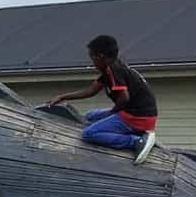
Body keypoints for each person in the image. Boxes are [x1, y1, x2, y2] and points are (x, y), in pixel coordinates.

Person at [47, 34, 157, 165]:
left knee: (88, 134)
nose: (92, 62)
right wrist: (62, 97)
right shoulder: (110, 68)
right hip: (137, 113)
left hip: (137, 118)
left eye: (92, 57)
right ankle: (123, 131)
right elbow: (91, 91)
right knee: (90, 116)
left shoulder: (114, 70)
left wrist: (112, 113)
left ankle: (135, 141)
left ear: (101, 56)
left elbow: (124, 97)